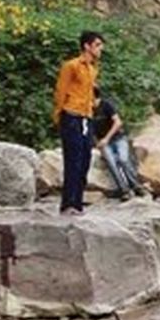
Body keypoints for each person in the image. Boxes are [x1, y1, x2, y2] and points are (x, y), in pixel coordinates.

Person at [53, 31, 103, 215]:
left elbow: (89, 93)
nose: (100, 49)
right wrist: (59, 115)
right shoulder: (71, 66)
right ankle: (68, 204)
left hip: (86, 117)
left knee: (85, 160)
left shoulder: (92, 69)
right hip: (71, 115)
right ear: (86, 46)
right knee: (72, 160)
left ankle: (78, 202)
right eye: (97, 45)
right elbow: (61, 91)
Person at [92, 87, 144, 201]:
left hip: (118, 138)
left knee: (123, 159)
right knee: (111, 162)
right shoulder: (88, 110)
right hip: (103, 142)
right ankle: (124, 190)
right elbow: (91, 130)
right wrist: (97, 143)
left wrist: (106, 138)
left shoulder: (106, 105)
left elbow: (118, 122)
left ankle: (135, 185)